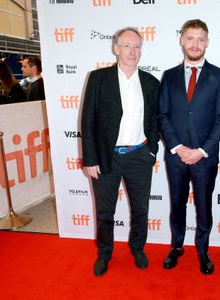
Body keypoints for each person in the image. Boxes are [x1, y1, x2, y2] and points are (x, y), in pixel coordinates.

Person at [81, 27, 160, 276]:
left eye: (137, 46)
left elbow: (156, 121)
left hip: (139, 155)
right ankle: (104, 253)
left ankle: (138, 248)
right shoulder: (98, 78)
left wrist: (152, 152)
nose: (132, 51)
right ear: (116, 48)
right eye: (127, 45)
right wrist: (90, 159)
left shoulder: (150, 82)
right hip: (106, 157)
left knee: (141, 209)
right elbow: (88, 122)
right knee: (105, 211)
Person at [158, 19, 220, 275]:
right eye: (190, 38)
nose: (195, 44)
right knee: (177, 204)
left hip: (205, 157)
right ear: (182, 40)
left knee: (204, 205)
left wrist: (201, 151)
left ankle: (202, 250)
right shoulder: (169, 76)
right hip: (176, 156)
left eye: (201, 39)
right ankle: (177, 247)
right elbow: (162, 115)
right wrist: (177, 147)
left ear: (207, 42)